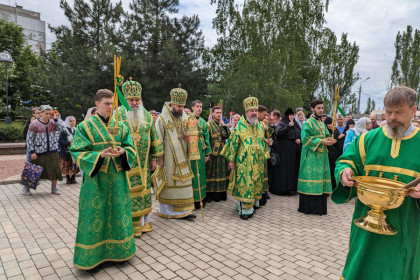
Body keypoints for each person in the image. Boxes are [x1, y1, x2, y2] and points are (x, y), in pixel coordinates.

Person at [333, 86, 420, 280]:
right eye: (388, 112)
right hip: (366, 225)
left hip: (405, 226)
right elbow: (347, 161)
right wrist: (344, 172)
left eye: (399, 112)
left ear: (413, 111)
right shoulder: (367, 140)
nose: (391, 118)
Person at [70, 89, 137, 270]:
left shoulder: (121, 126)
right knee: (94, 215)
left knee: (118, 213)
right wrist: (99, 155)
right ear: (97, 104)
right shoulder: (85, 127)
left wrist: (124, 152)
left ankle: (120, 252)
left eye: (112, 104)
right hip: (96, 182)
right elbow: (76, 152)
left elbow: (131, 148)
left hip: (117, 181)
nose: (110, 107)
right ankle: (92, 258)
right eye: (106, 103)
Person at [117, 78, 163, 237]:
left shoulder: (147, 116)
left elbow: (154, 137)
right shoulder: (117, 115)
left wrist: (154, 159)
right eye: (131, 100)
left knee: (144, 192)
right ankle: (128, 227)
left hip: (143, 165)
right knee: (127, 193)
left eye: (137, 99)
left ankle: (143, 223)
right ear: (126, 99)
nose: (135, 102)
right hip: (124, 165)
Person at [220, 96, 270, 220]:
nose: (254, 113)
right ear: (246, 112)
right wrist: (231, 161)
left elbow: (262, 141)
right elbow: (232, 144)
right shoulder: (240, 127)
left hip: (257, 162)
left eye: (255, 111)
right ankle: (244, 210)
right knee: (245, 185)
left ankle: (252, 205)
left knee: (255, 184)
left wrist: (264, 155)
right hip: (243, 163)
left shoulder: (259, 126)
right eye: (251, 111)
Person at [155, 86, 196, 219]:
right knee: (169, 183)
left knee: (184, 184)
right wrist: (159, 157)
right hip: (168, 159)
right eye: (178, 106)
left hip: (183, 156)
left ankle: (184, 211)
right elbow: (158, 138)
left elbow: (190, 134)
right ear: (171, 104)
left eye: (182, 106)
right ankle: (168, 212)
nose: (180, 109)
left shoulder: (185, 116)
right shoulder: (162, 119)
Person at [297, 99, 336, 215]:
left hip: (322, 157)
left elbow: (326, 135)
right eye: (319, 108)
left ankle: (320, 208)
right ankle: (309, 208)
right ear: (312, 109)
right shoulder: (307, 123)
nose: (321, 110)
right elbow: (305, 139)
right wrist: (321, 141)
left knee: (321, 180)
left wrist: (330, 139)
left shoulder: (321, 123)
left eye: (322, 108)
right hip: (311, 158)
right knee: (311, 179)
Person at [24, 105, 63, 196]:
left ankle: (54, 188)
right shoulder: (34, 124)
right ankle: (26, 188)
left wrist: (56, 119)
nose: (48, 115)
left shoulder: (53, 123)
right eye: (46, 113)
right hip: (38, 151)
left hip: (52, 150)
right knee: (32, 170)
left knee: (54, 169)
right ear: (41, 113)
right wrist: (32, 151)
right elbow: (29, 139)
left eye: (50, 114)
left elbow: (61, 129)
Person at [270, 108, 301, 196]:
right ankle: (282, 189)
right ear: (287, 116)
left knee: (292, 169)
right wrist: (288, 126)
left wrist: (299, 139)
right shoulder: (282, 123)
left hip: (293, 152)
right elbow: (278, 133)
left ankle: (291, 188)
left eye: (293, 115)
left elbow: (299, 133)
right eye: (290, 115)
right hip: (283, 151)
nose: (292, 117)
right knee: (283, 170)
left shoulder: (296, 124)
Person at [205, 106, 231, 202]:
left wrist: (224, 125)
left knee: (222, 172)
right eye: (217, 112)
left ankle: (221, 194)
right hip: (213, 152)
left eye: (220, 113)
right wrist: (207, 153)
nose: (219, 114)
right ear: (212, 113)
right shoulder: (208, 125)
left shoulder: (222, 124)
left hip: (222, 152)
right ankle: (210, 195)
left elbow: (228, 135)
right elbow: (206, 139)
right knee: (211, 173)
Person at [190, 100, 212, 209]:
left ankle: (201, 198)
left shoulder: (203, 122)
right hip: (191, 153)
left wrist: (207, 154)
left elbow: (207, 138)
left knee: (202, 175)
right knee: (193, 176)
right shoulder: (188, 119)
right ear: (192, 107)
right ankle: (193, 200)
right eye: (197, 106)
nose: (199, 108)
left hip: (202, 152)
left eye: (201, 106)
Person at [258, 105, 274, 205]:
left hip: (263, 152)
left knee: (264, 174)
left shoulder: (263, 124)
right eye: (264, 115)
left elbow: (269, 135)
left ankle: (264, 193)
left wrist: (269, 124)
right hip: (257, 152)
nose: (265, 117)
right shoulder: (255, 124)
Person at [59, 116, 79, 184]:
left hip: (75, 151)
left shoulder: (77, 130)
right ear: (67, 122)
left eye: (73, 121)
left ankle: (73, 178)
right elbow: (60, 140)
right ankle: (68, 179)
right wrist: (69, 143)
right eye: (70, 121)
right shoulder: (64, 130)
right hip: (66, 151)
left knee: (74, 165)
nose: (72, 122)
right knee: (66, 165)